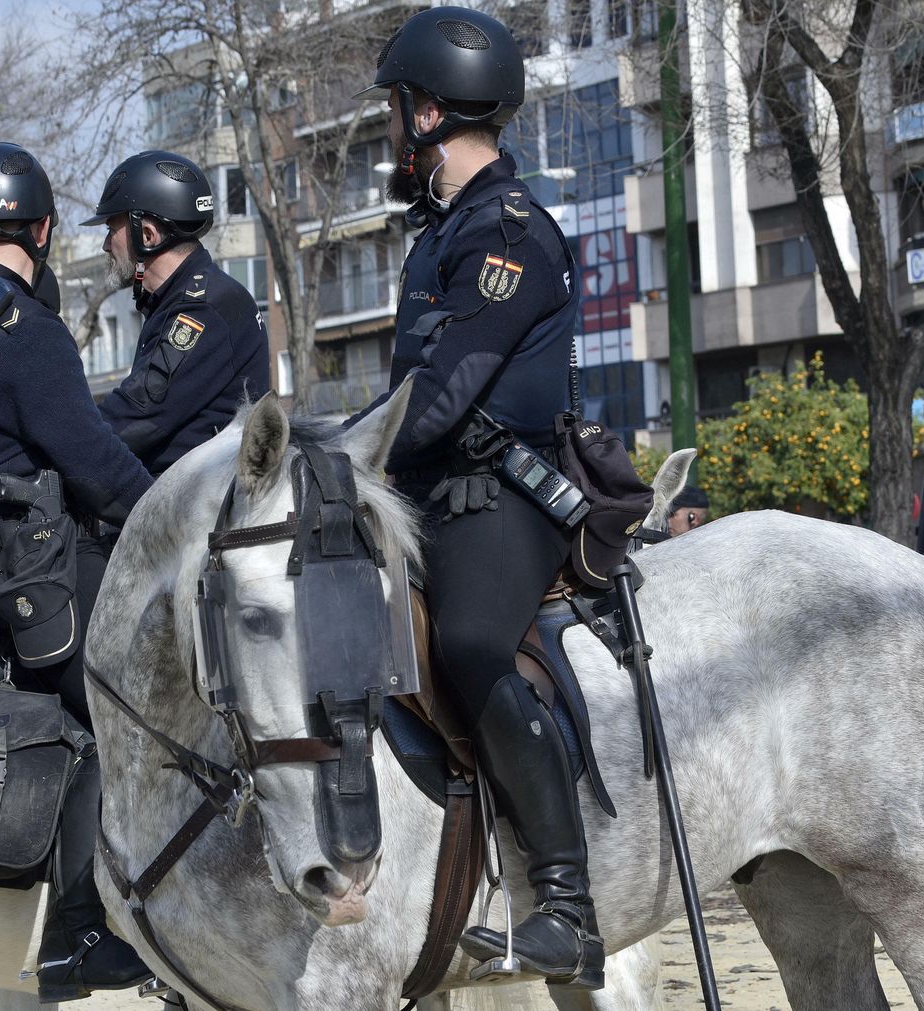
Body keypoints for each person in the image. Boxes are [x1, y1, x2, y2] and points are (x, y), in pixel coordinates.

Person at [350, 7, 603, 991]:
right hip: (427, 494)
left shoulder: (507, 234)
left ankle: (568, 906)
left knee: (466, 642)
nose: (390, 130)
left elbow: (447, 392)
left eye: (396, 109)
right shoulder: (441, 233)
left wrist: (349, 452)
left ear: (427, 114)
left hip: (501, 495)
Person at [0, 141, 153, 1001]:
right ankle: (81, 931)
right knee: (125, 706)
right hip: (25, 566)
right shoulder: (24, 330)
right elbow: (96, 465)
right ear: (40, 230)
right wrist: (169, 521)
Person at [86, 151, 270, 477]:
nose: (105, 245)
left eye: (111, 230)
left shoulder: (203, 309)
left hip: (196, 502)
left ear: (147, 235)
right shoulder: (179, 301)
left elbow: (136, 416)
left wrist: (65, 442)